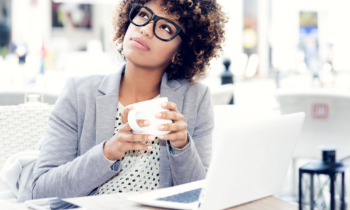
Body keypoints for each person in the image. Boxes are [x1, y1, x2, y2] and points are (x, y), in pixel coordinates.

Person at [18, 0, 227, 202]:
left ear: (180, 52)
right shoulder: (79, 93)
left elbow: (202, 196)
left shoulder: (196, 99)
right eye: (143, 15)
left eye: (165, 27)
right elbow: (41, 191)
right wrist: (107, 152)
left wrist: (182, 146)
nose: (145, 29)